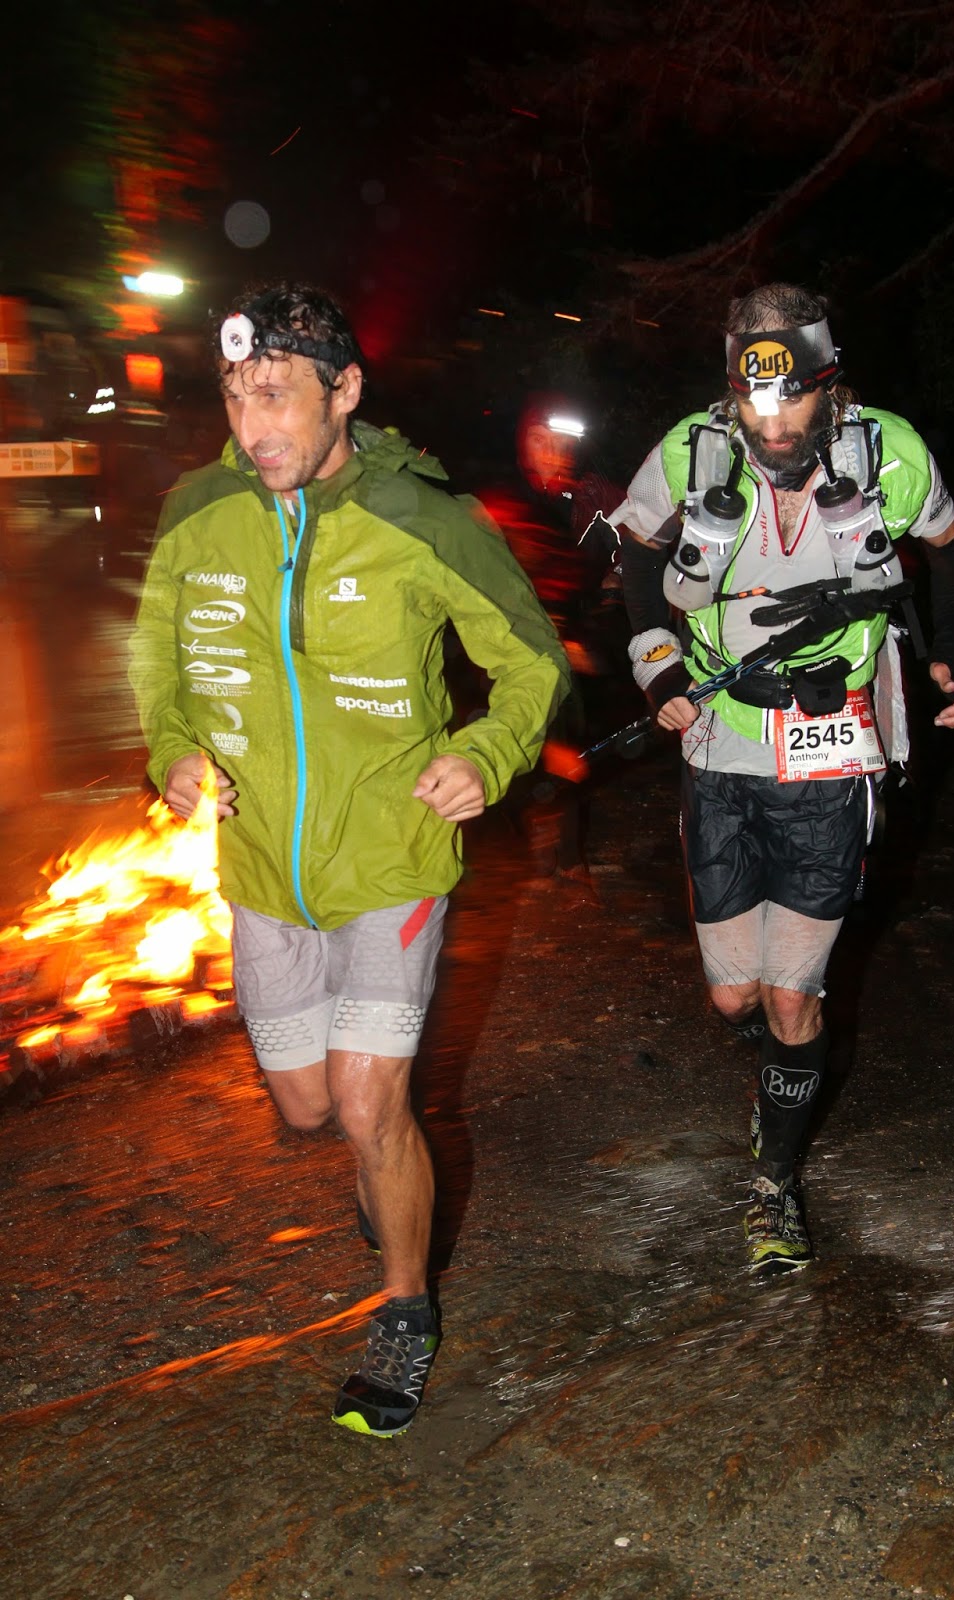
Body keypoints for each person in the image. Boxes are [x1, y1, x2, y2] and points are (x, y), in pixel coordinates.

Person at [128, 282, 569, 1435]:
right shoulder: (196, 513)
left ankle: (405, 1312)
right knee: (310, 1104)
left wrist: (486, 750)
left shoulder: (425, 518)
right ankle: (387, 1174)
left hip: (391, 859)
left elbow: (531, 660)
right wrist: (173, 752)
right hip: (262, 869)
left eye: (278, 394)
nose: (254, 424)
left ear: (345, 391)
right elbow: (158, 666)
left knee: (374, 1103)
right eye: (236, 396)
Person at [609, 283, 954, 1272]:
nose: (770, 426)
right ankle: (785, 1060)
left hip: (831, 746)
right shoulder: (691, 449)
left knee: (788, 994)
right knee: (734, 999)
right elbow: (635, 551)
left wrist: (952, 651)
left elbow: (953, 548)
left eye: (791, 401)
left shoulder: (889, 453)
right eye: (751, 402)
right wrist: (657, 665)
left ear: (828, 380)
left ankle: (773, 1182)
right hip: (718, 744)